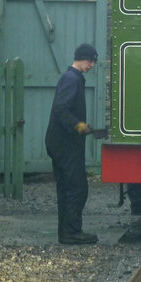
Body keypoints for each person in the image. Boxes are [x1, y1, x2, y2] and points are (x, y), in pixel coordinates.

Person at [44, 43, 99, 244]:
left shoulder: (72, 78)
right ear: (82, 58)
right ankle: (72, 232)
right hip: (65, 142)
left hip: (60, 141)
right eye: (90, 60)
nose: (92, 65)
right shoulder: (71, 79)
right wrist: (78, 126)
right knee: (77, 187)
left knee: (66, 187)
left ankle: (67, 232)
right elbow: (61, 109)